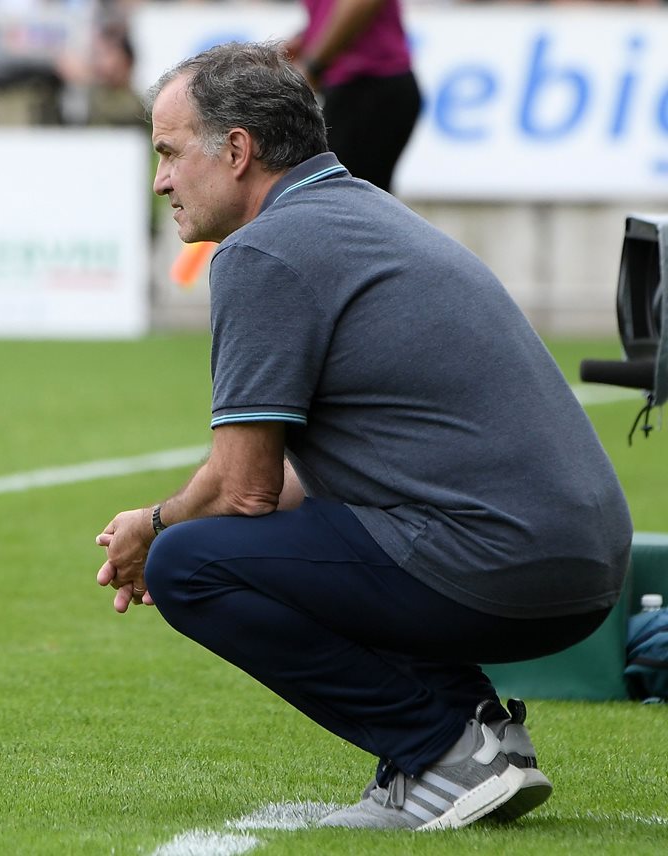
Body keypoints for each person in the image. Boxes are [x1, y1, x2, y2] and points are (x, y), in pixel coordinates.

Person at [94, 41, 632, 830]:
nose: (161, 179)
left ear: (237, 151)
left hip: (498, 561)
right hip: (583, 566)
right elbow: (308, 486)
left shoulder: (265, 250)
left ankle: (440, 750)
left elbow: (243, 490)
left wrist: (155, 525)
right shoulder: (365, 212)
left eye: (171, 153)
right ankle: (487, 744)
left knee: (191, 565)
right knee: (299, 542)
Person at [285, 0, 420, 193]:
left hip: (370, 82)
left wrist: (312, 65)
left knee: (342, 197)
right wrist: (306, 40)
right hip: (362, 84)